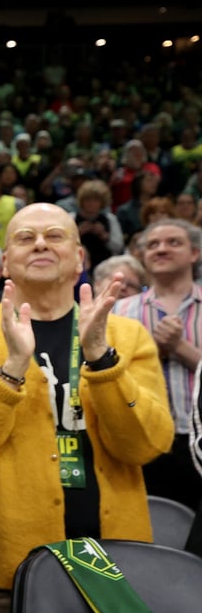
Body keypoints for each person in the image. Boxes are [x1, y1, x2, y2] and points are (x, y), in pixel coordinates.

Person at [0, 203, 174, 613]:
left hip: (112, 567)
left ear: (80, 258)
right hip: (0, 574)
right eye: (25, 238)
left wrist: (101, 359)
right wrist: (10, 370)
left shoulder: (125, 336)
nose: (40, 243)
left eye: (55, 235)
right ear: (5, 263)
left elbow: (147, 446)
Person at [111, 218, 202, 510]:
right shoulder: (119, 310)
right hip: (143, 441)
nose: (161, 249)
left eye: (173, 242)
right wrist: (156, 352)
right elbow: (107, 377)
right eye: (152, 244)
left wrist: (181, 348)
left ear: (194, 253)